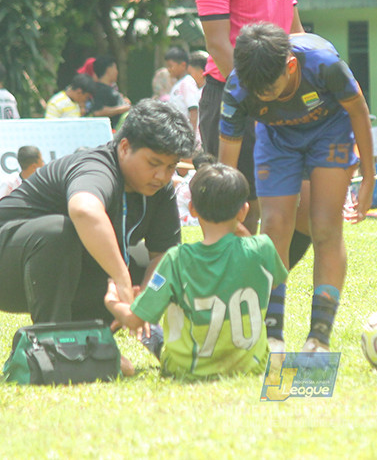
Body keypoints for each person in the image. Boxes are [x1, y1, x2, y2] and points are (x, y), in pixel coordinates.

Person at [0, 100, 194, 342]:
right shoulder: (97, 167)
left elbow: (163, 255)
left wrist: (145, 302)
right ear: (125, 147)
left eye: (170, 167)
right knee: (59, 232)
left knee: (138, 261)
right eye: (153, 163)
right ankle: (58, 344)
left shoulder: (160, 189)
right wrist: (121, 279)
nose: (161, 176)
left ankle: (93, 341)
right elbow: (84, 211)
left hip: (59, 267)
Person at [218, 23, 374, 352]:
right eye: (256, 92)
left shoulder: (324, 64)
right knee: (275, 225)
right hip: (277, 140)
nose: (263, 97)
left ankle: (318, 336)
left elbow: (359, 111)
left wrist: (369, 177)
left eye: (271, 90)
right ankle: (272, 335)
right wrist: (226, 207)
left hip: (330, 132)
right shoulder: (238, 87)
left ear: (290, 67)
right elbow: (226, 163)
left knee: (325, 227)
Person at [193, 0, 305, 237]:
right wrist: (256, 98)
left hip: (279, 97)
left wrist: (304, 85)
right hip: (231, 96)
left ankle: (266, 290)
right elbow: (218, 45)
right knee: (236, 211)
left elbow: (294, 29)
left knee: (284, 208)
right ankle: (224, 293)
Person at [105, 161, 288, 379]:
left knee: (155, 328)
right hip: (251, 367)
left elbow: (134, 320)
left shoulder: (176, 259)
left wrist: (113, 302)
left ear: (191, 208)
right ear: (243, 211)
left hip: (186, 370)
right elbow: (275, 282)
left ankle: (153, 336)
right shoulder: (263, 248)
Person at [165, 46, 200, 135]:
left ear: (183, 65)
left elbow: (193, 111)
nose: (168, 69)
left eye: (170, 66)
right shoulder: (178, 84)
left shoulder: (187, 83)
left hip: (186, 137)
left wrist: (191, 136)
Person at [89, 56, 131, 128]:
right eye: (115, 68)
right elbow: (98, 112)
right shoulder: (101, 90)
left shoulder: (109, 89)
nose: (117, 72)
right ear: (109, 70)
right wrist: (123, 108)